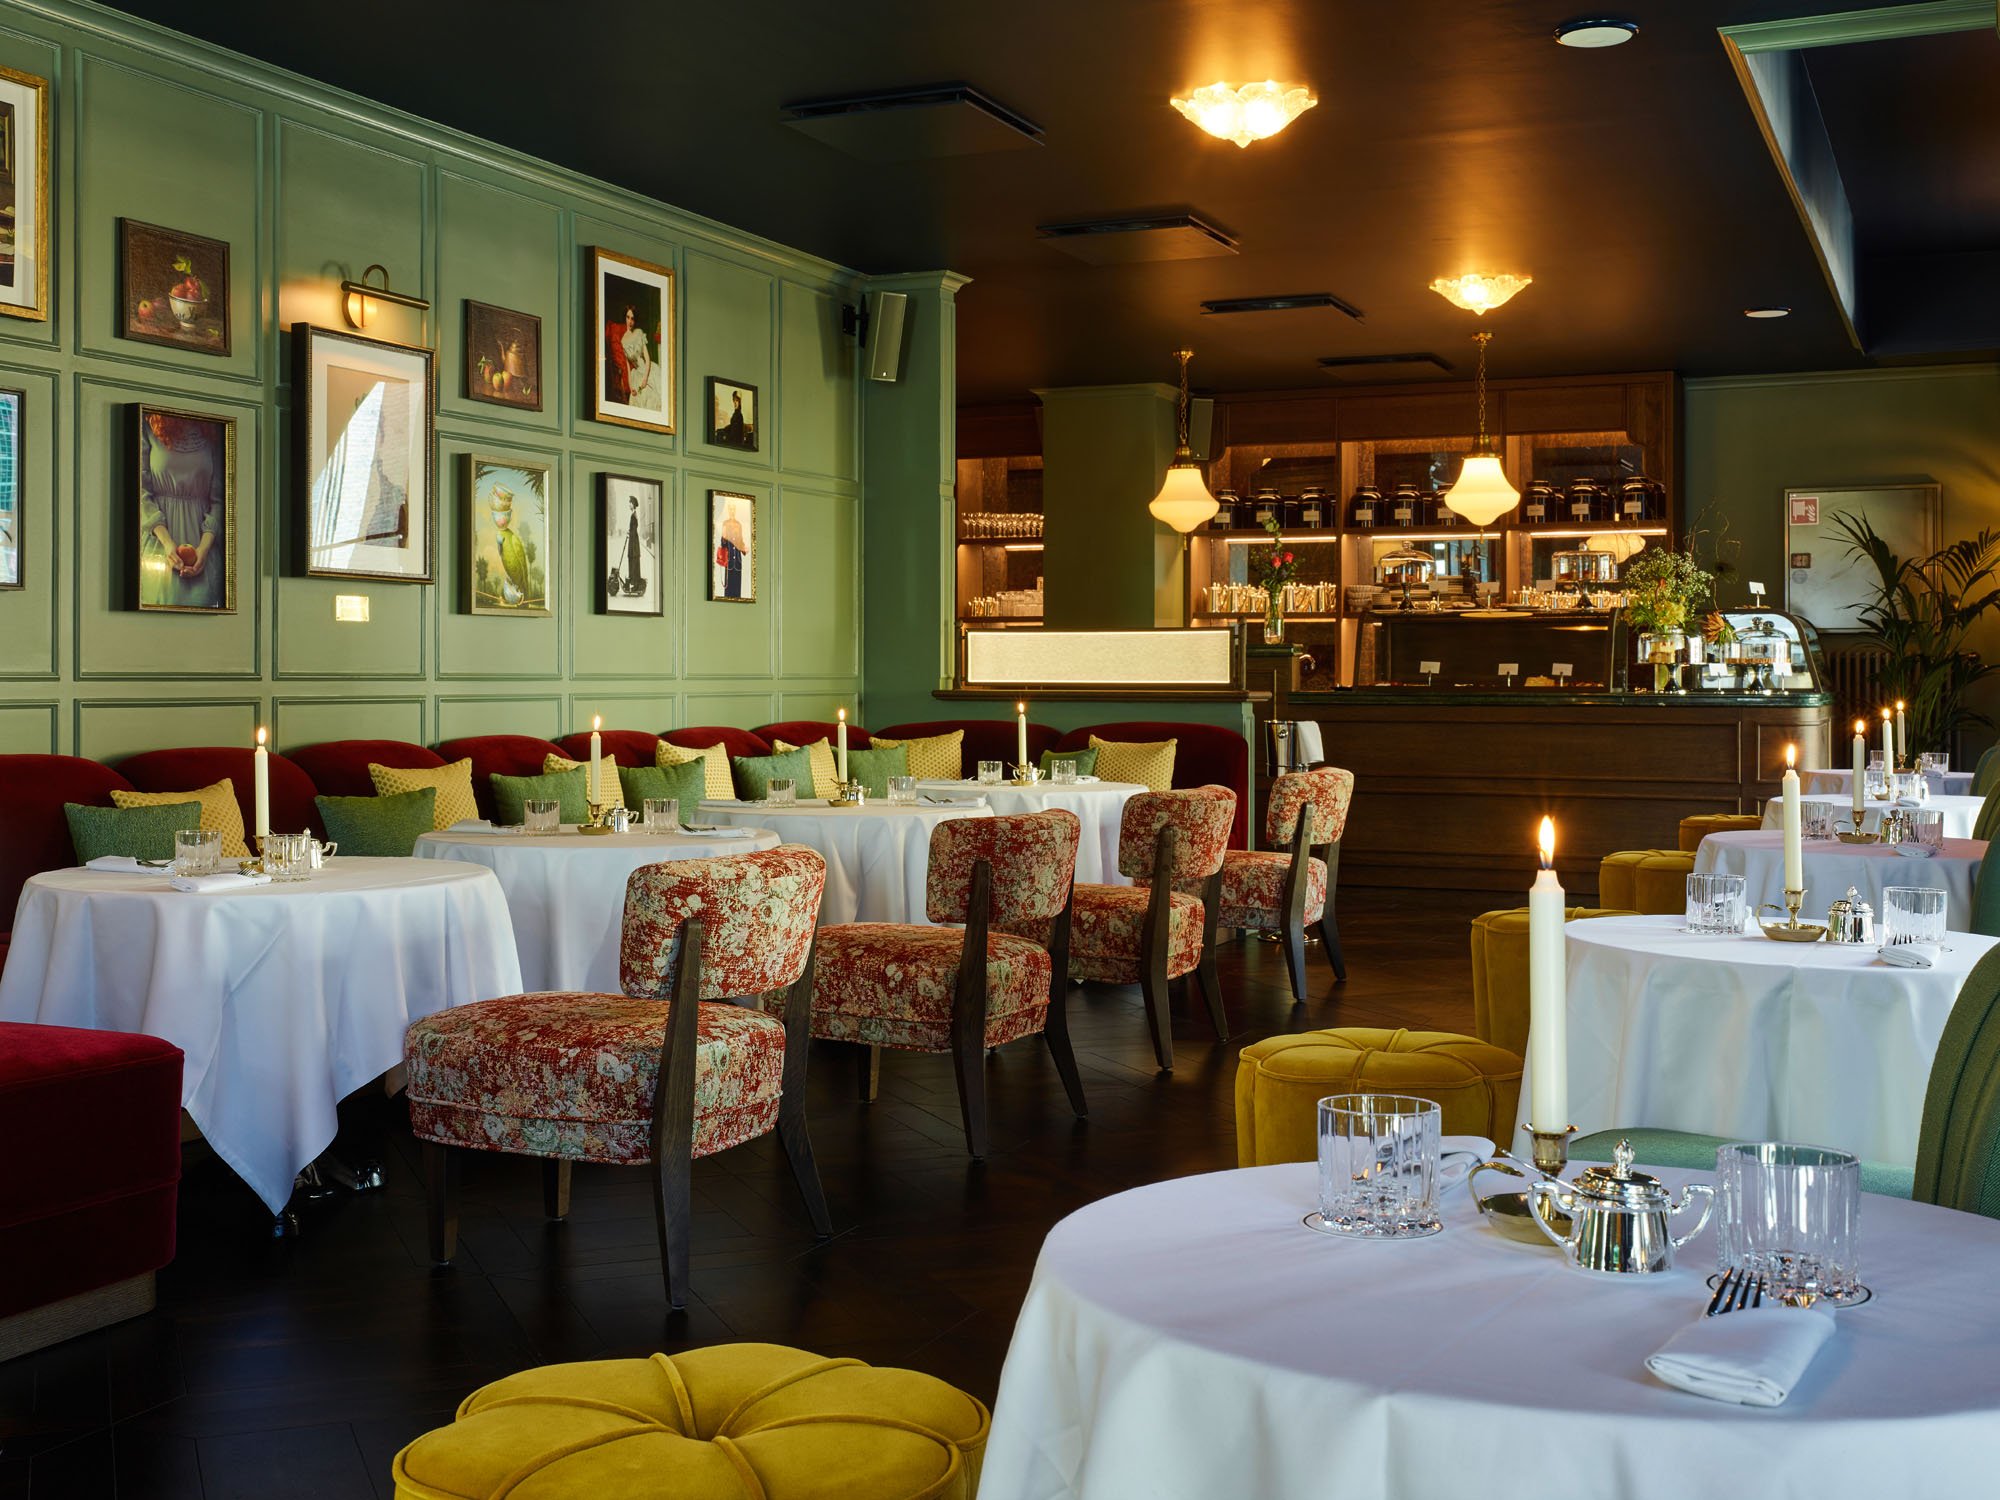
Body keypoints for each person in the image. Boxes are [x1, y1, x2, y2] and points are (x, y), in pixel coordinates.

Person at [139, 411, 225, 610]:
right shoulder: (147, 426)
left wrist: (203, 549)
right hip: (158, 543)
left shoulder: (214, 431)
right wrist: (168, 544)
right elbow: (141, 492)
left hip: (204, 544)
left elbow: (220, 499)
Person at [714, 504, 747, 599]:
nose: (732, 511)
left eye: (733, 509)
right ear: (728, 510)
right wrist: (723, 537)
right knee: (728, 590)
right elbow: (723, 543)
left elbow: (740, 541)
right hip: (729, 561)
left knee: (737, 588)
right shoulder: (725, 523)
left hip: (738, 561)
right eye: (730, 509)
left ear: (735, 510)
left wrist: (744, 549)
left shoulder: (739, 524)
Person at [621, 493, 646, 596]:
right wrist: (629, 532)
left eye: (629, 503)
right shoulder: (634, 515)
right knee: (633, 563)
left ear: (633, 504)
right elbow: (633, 529)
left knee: (634, 563)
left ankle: (635, 584)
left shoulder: (633, 516)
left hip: (634, 545)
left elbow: (634, 530)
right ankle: (634, 584)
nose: (628, 504)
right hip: (634, 544)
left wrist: (629, 534)